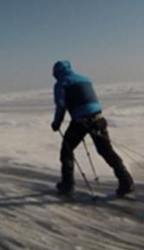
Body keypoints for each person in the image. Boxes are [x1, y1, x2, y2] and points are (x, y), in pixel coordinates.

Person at [51, 60, 134, 197]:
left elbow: (61, 105)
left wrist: (56, 123)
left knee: (66, 150)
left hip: (80, 122)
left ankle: (67, 185)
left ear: (57, 73)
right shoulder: (85, 79)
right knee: (106, 151)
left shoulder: (62, 83)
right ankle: (126, 181)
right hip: (98, 119)